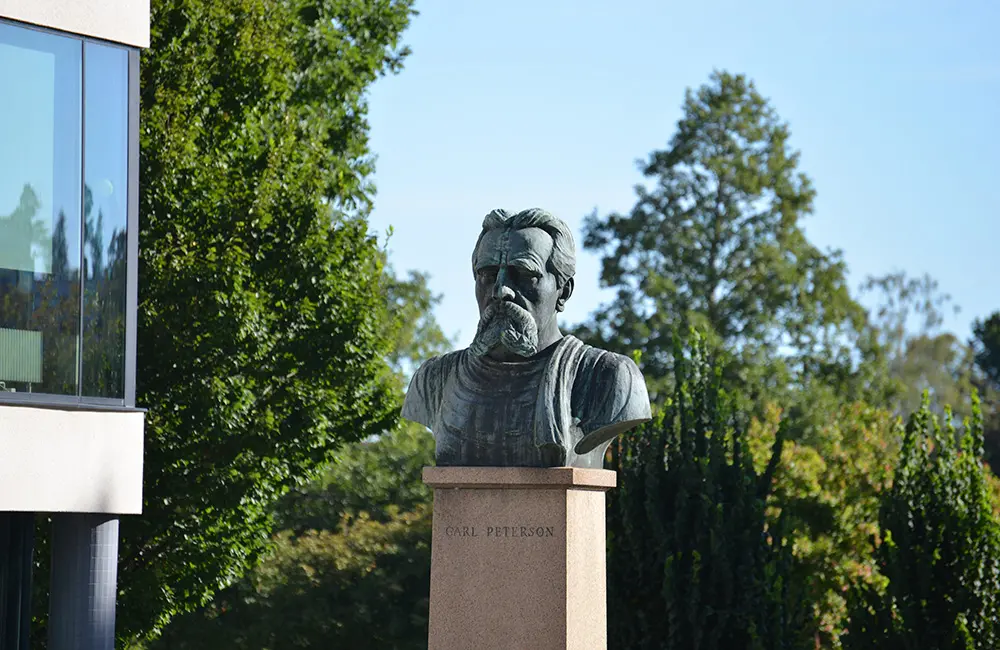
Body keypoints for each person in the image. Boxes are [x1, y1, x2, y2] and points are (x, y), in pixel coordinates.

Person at [402, 208, 651, 468]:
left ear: (563, 291)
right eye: (487, 275)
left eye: (524, 275)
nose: (501, 291)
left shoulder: (608, 378)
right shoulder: (434, 380)